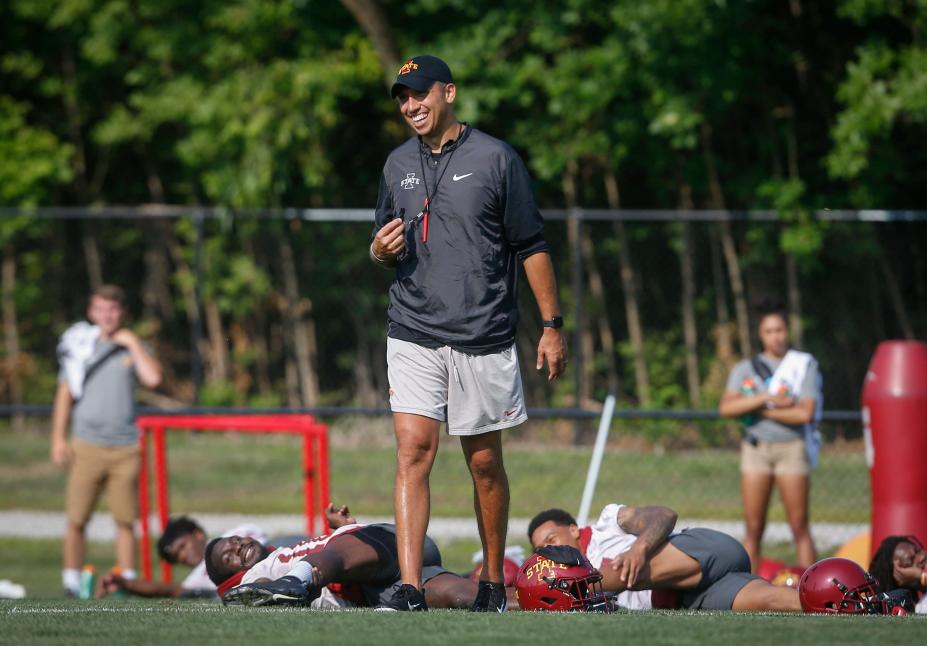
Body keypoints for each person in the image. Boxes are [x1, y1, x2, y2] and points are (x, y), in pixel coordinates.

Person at [369, 54, 567, 612]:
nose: (411, 106)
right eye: (403, 98)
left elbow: (531, 246)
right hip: (412, 329)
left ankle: (492, 582)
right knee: (413, 451)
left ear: (448, 92)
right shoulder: (396, 164)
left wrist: (552, 327)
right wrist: (377, 252)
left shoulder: (496, 158)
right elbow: (382, 245)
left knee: (483, 463)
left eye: (420, 94)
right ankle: (409, 587)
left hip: (484, 334)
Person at [50, 285, 162, 596]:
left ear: (122, 313)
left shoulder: (132, 346)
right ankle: (71, 581)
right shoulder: (80, 347)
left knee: (125, 520)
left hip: (126, 447)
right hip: (85, 445)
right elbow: (64, 395)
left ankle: (126, 580)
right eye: (101, 309)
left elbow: (153, 378)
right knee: (76, 518)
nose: (107, 315)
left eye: (113, 309)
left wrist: (132, 343)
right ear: (91, 312)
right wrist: (58, 439)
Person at [527, 504, 801, 611]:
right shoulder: (557, 576)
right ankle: (839, 598)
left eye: (551, 540)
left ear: (574, 529)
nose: (547, 550)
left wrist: (639, 549)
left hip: (704, 551)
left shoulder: (608, 522)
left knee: (624, 569)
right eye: (540, 549)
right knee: (775, 600)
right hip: (689, 598)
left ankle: (577, 589)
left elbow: (665, 515)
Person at [718, 298, 821, 571]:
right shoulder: (745, 368)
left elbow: (803, 414)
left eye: (780, 330)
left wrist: (758, 409)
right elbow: (727, 407)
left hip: (792, 448)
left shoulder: (803, 365)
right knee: (753, 527)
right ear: (760, 335)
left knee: (799, 525)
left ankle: (812, 588)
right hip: (756, 449)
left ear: (787, 331)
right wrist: (768, 398)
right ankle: (745, 587)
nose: (775, 336)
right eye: (769, 331)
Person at [207, 519, 485, 610]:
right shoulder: (253, 579)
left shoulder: (282, 553)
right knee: (462, 594)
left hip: (397, 545)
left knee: (331, 554)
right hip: (379, 591)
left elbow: (343, 550)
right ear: (230, 578)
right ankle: (527, 591)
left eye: (233, 540)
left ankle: (297, 581)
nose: (237, 547)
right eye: (227, 557)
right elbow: (256, 591)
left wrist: (344, 529)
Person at [96, 516, 267, 598]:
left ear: (198, 534)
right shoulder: (196, 580)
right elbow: (169, 589)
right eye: (178, 557)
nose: (183, 556)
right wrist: (125, 583)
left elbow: (263, 550)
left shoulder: (235, 535)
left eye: (183, 547)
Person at [868, 533, 927, 614]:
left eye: (918, 550)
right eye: (911, 561)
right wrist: (925, 575)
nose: (922, 557)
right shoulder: (926, 605)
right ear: (902, 579)